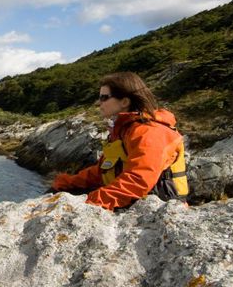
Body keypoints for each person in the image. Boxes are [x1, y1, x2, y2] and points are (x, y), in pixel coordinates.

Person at [50, 72, 188, 211]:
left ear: (124, 102)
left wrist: (89, 203)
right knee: (59, 192)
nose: (99, 103)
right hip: (132, 198)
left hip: (157, 207)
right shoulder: (125, 129)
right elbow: (102, 172)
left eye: (104, 97)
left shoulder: (150, 132)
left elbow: (138, 181)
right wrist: (66, 182)